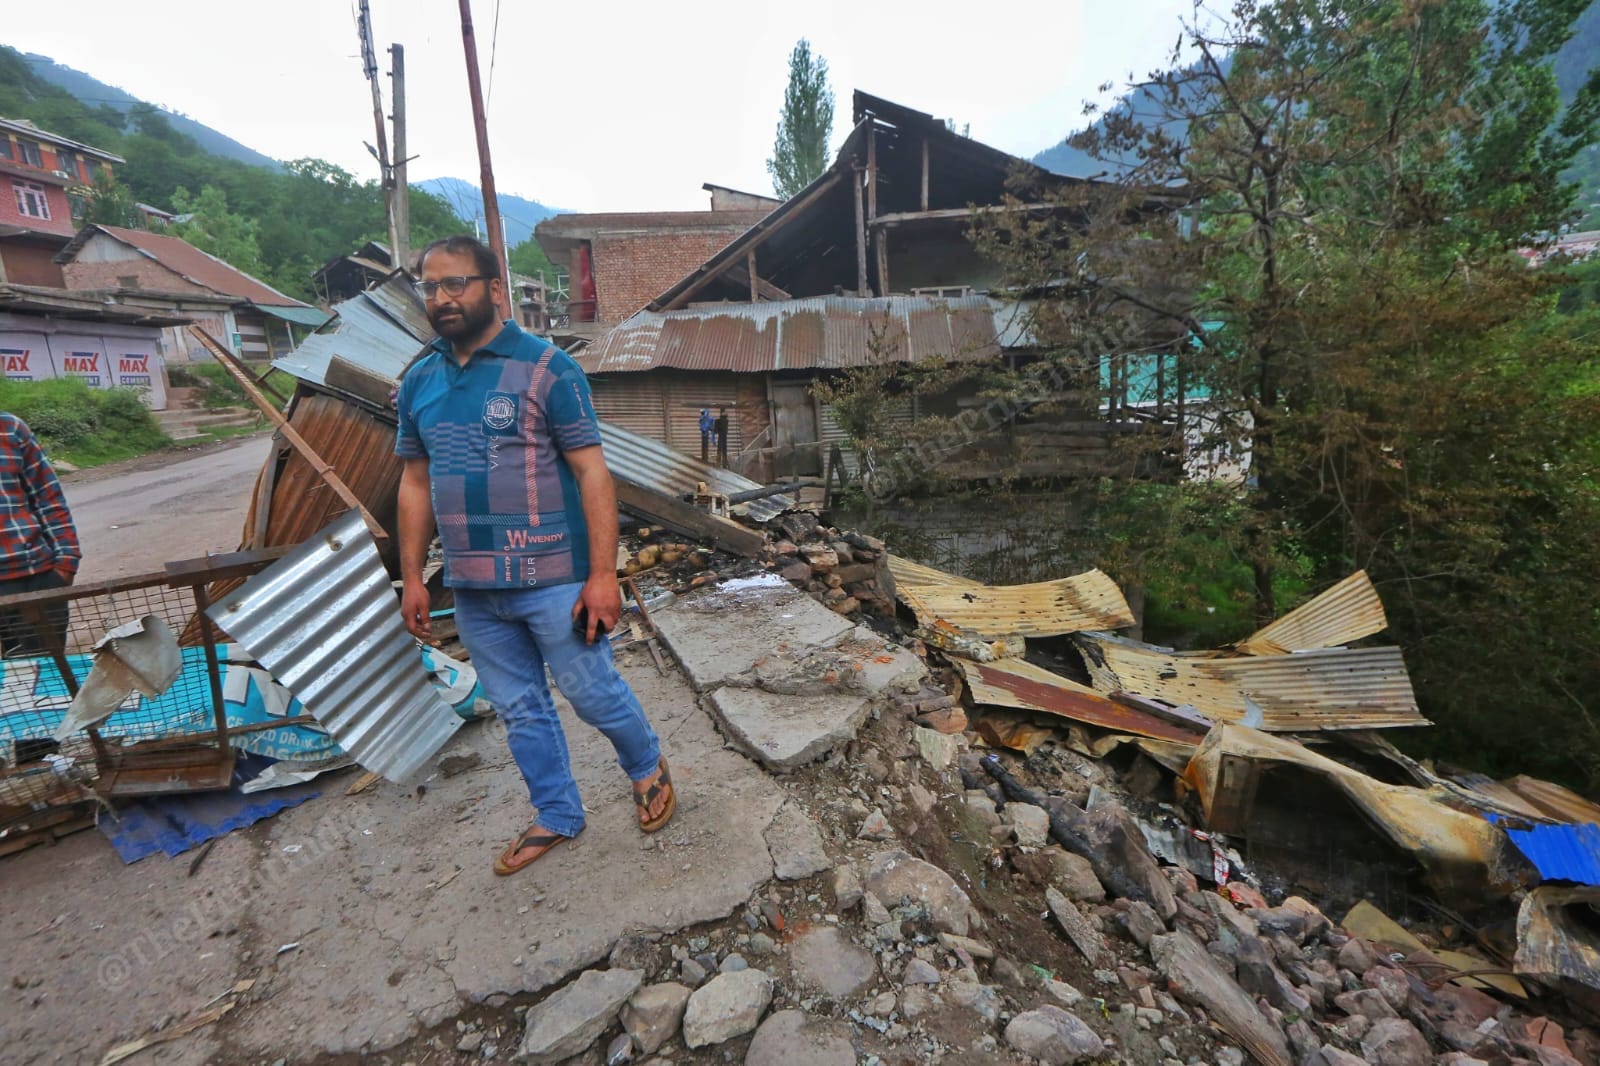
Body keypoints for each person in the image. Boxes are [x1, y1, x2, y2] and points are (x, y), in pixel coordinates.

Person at [394, 235, 675, 876]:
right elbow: (413, 482)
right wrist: (413, 577)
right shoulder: (419, 382)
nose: (441, 298)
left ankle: (645, 765)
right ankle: (557, 813)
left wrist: (602, 575)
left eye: (455, 283)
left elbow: (593, 475)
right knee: (520, 709)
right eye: (430, 286)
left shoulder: (549, 369)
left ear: (495, 289)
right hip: (471, 586)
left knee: (592, 693)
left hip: (552, 576)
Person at [0, 413, 79, 656]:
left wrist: (66, 562)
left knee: (43, 682)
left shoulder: (10, 428)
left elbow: (47, 497)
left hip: (34, 579)